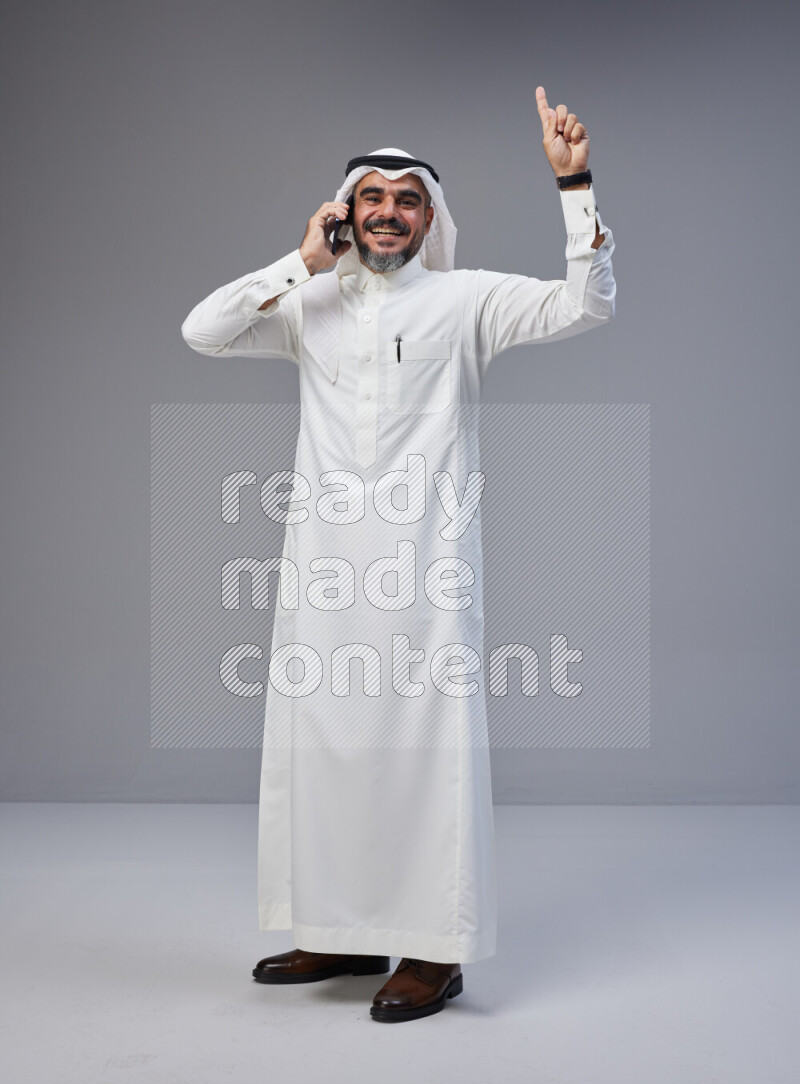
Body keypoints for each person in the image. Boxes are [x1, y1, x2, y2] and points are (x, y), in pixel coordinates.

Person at [180, 86, 616, 1024]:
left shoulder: (466, 299)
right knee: (325, 746)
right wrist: (300, 261)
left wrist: (573, 183)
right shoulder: (310, 303)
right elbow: (202, 331)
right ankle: (339, 929)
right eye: (369, 197)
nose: (386, 212)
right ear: (345, 211)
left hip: (425, 571)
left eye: (406, 198)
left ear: (430, 216)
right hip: (323, 571)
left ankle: (433, 950)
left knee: (426, 755)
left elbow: (587, 304)